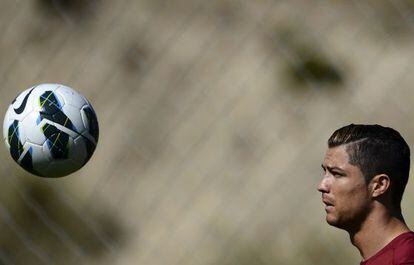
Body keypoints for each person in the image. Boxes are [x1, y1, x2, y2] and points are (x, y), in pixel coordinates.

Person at [317, 124, 414, 265]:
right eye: (325, 172)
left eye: (337, 174)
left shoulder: (406, 259)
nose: (321, 186)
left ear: (379, 186)